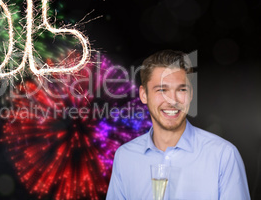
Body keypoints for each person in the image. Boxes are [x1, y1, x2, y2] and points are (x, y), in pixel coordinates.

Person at [106, 50, 250, 200]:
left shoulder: (223, 155)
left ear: (190, 94)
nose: (172, 100)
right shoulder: (125, 157)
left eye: (181, 89)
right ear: (144, 95)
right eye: (162, 89)